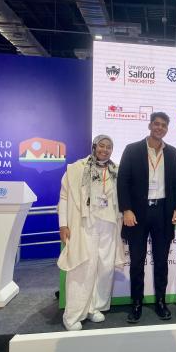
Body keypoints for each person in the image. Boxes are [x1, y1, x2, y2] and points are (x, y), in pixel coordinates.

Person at [117, 112, 176, 323]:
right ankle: (137, 303)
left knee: (162, 261)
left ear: (166, 129)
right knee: (137, 261)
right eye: (156, 124)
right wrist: (126, 209)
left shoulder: (171, 152)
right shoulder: (132, 149)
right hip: (137, 212)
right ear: (150, 125)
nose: (159, 128)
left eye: (163, 125)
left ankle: (161, 302)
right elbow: (123, 182)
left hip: (163, 212)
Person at [58, 135, 125, 331]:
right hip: (85, 223)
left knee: (104, 268)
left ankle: (94, 307)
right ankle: (72, 315)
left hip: (110, 225)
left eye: (109, 147)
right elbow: (63, 197)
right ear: (94, 147)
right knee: (83, 267)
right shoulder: (76, 168)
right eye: (101, 146)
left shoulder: (116, 171)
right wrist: (63, 224)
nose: (105, 150)